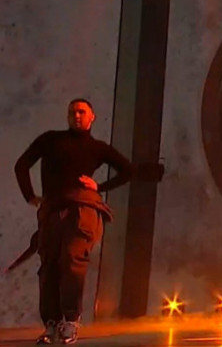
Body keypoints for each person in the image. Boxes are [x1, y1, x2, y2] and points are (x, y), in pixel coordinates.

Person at [14, 99, 136, 344]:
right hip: (52, 209)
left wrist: (99, 186)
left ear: (92, 117)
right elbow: (21, 165)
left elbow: (128, 170)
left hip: (82, 208)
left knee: (72, 259)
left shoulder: (97, 148)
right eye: (72, 112)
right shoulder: (50, 139)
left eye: (81, 112)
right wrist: (30, 197)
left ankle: (70, 320)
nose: (76, 116)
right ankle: (52, 323)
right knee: (49, 265)